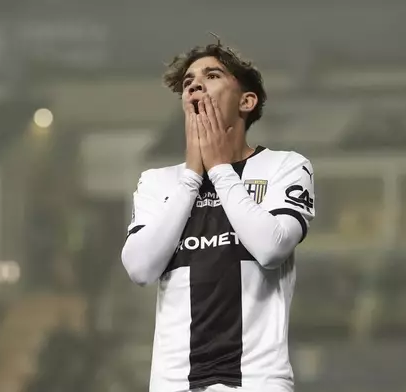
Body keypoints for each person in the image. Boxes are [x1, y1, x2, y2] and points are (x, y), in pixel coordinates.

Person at [121, 39, 316, 392]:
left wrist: (220, 169)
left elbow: (271, 250)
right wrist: (192, 177)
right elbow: (139, 268)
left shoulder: (285, 167)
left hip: (257, 382)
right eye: (188, 82)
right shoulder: (156, 182)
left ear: (247, 101)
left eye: (212, 75)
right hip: (174, 384)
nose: (196, 84)